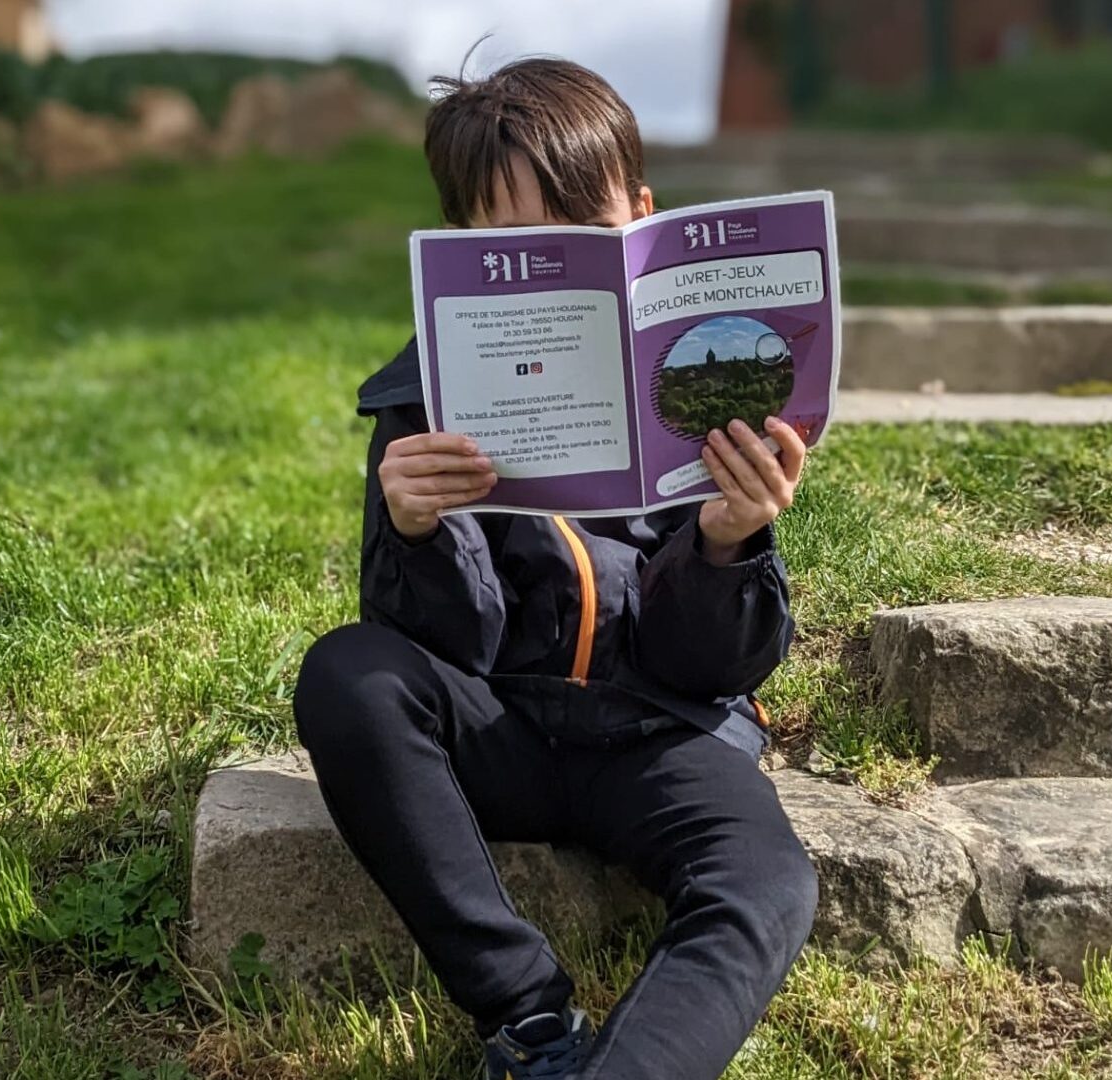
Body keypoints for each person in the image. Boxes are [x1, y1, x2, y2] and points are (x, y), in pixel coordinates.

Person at [293, 57, 818, 1080]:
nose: (552, 262)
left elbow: (715, 666)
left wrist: (727, 543)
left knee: (766, 881)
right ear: (459, 257)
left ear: (642, 218)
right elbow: (446, 647)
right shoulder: (420, 400)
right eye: (513, 244)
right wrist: (416, 529)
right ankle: (530, 1022)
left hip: (659, 733)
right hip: (504, 730)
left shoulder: (696, 383)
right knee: (348, 672)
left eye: (582, 232)